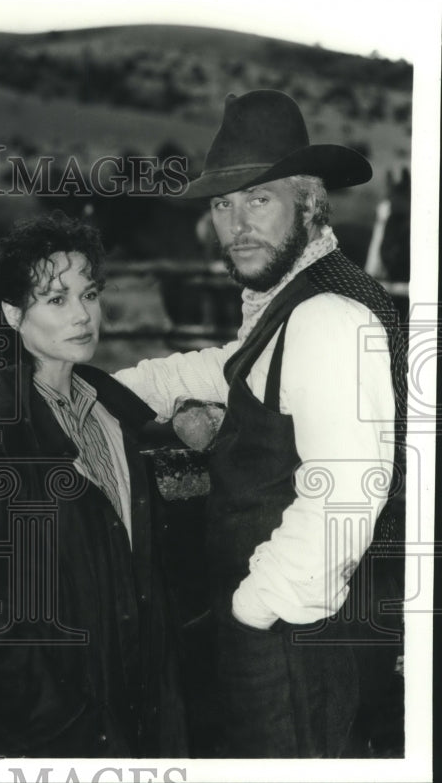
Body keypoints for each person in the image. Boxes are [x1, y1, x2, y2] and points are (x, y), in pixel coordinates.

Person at [114, 90, 407, 757]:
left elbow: (345, 493)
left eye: (259, 199)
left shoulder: (326, 316)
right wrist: (99, 389)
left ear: (309, 203)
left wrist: (255, 605)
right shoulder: (297, 299)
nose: (237, 224)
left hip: (297, 634)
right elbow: (230, 370)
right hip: (290, 628)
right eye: (223, 204)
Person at [0, 211, 187, 758]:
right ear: (14, 314)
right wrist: (62, 720)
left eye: (89, 294)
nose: (82, 315)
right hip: (56, 736)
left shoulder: (112, 418)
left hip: (134, 718)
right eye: (56, 300)